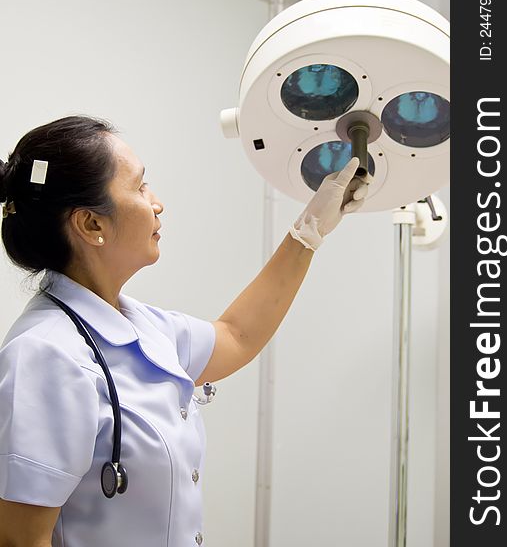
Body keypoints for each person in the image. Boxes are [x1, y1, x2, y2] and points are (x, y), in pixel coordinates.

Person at [0, 115, 369, 547]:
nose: (156, 203)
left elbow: (236, 335)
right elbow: (22, 539)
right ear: (92, 225)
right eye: (139, 187)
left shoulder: (143, 326)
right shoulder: (46, 355)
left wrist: (310, 229)